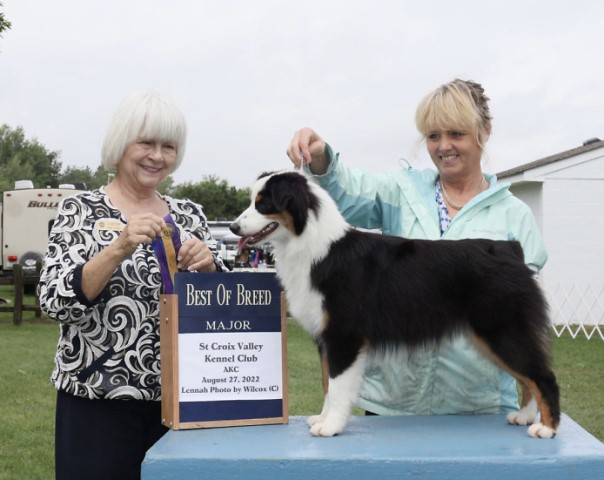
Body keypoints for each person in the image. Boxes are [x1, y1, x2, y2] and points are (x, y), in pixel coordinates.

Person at [286, 79, 547, 417]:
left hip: (477, 409)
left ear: (485, 130)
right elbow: (345, 191)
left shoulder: (515, 215)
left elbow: (516, 318)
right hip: (392, 407)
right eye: (433, 136)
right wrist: (321, 159)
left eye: (456, 134)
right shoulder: (400, 190)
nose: (443, 146)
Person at [38, 91, 227, 480]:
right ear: (121, 143)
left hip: (183, 403)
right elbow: (55, 301)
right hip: (97, 403)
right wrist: (120, 246)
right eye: (146, 143)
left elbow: (222, 312)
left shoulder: (191, 215)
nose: (157, 156)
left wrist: (211, 268)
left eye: (168, 146)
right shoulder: (81, 210)